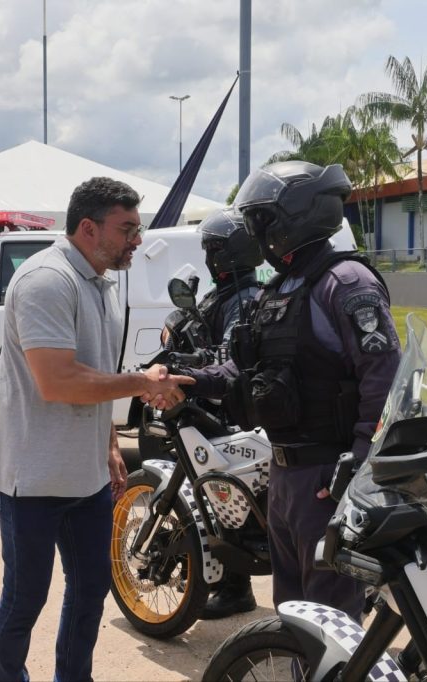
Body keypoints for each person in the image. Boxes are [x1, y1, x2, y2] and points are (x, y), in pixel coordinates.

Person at [0, 176, 195, 682]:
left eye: (137, 228)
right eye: (127, 229)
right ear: (89, 228)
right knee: (25, 597)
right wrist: (143, 381)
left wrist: (109, 443)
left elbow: (95, 369)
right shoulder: (48, 281)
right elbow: (58, 381)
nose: (137, 240)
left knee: (92, 586)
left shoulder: (105, 281)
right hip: (31, 477)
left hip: (85, 476)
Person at [180, 161, 401, 622]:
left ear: (295, 215)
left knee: (332, 617)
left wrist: (359, 462)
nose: (258, 233)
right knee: (294, 614)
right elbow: (241, 368)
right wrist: (189, 380)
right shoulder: (277, 289)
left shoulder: (345, 283)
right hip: (284, 475)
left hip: (328, 477)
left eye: (263, 220)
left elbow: (383, 378)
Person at [165, 208, 262, 620]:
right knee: (219, 494)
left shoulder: (246, 298)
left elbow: (228, 356)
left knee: (229, 495)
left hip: (234, 410)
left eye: (213, 249)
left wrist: (189, 363)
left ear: (229, 253)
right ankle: (230, 583)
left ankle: (237, 588)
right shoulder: (225, 291)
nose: (208, 257)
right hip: (216, 401)